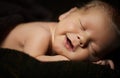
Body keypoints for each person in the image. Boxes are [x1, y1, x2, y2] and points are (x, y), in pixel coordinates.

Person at [0, 0, 119, 69]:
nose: (82, 39)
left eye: (93, 49)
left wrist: (100, 64)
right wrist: (64, 60)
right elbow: (31, 63)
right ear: (66, 14)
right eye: (82, 26)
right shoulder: (41, 34)